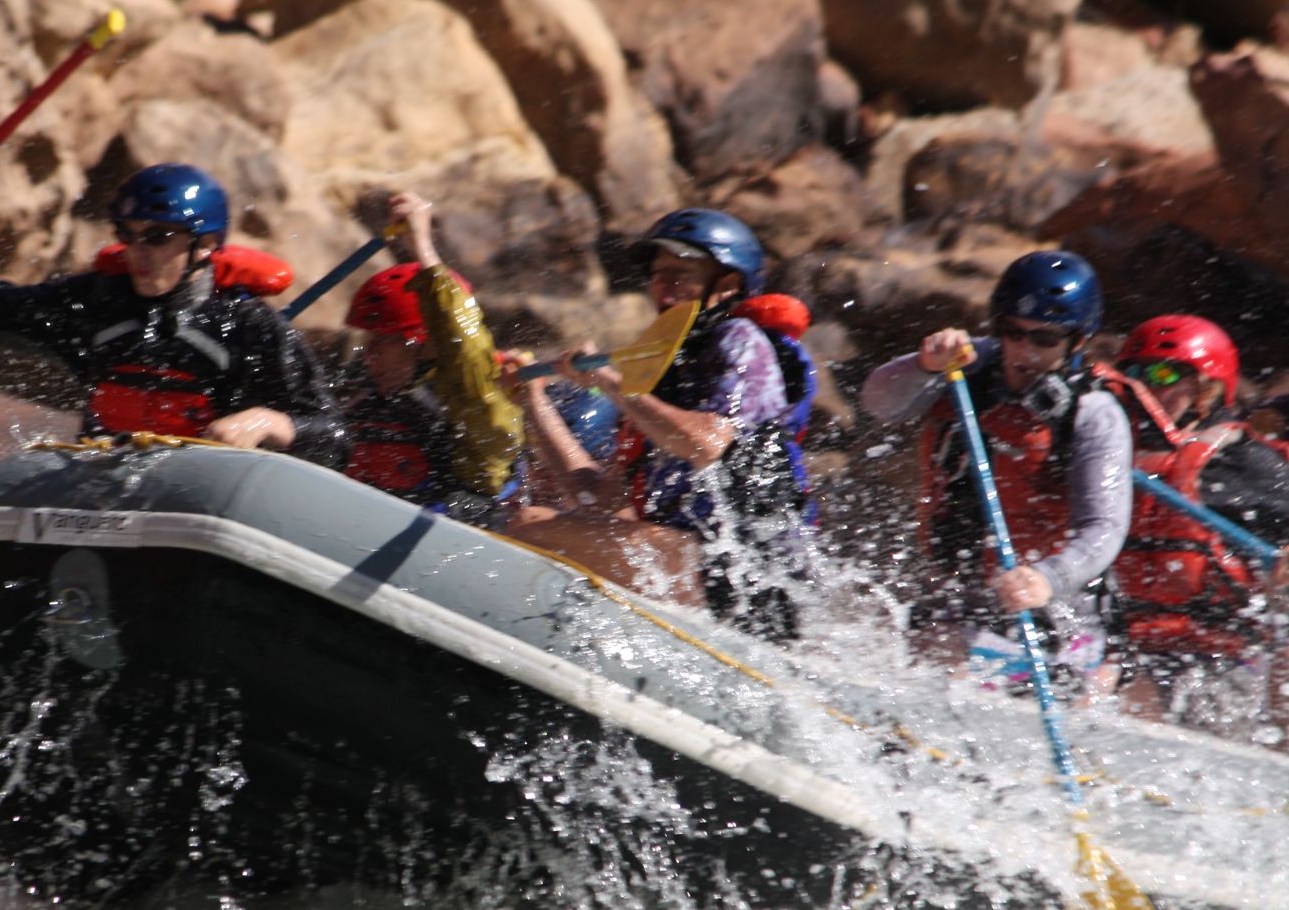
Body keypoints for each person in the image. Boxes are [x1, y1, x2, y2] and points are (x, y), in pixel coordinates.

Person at [0, 162, 345, 466]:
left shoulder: (250, 327)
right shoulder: (95, 303)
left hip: (205, 507)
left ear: (205, 246)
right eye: (128, 235)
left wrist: (270, 422)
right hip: (101, 498)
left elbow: (334, 438)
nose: (138, 253)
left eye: (156, 237)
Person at [506, 208, 814, 642]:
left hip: (748, 574)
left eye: (682, 274)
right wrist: (533, 403)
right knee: (534, 521)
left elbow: (707, 443)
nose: (665, 286)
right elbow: (598, 499)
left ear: (726, 286)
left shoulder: (740, 340)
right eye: (658, 273)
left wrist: (612, 384)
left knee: (529, 525)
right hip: (692, 558)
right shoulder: (665, 374)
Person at [860, 250, 1132, 694]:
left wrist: (1048, 577)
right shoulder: (966, 366)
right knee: (926, 667)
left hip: (1053, 608)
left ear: (1077, 341)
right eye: (1012, 332)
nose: (1024, 351)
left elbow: (1104, 528)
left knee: (959, 681)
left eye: (1044, 339)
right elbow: (879, 404)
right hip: (964, 591)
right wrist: (922, 365)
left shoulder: (1095, 414)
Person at [1109, 314, 1289, 726]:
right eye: (1134, 373)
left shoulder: (1242, 461)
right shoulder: (1101, 449)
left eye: (1166, 372)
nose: (1148, 385)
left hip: (1219, 660)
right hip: (1122, 648)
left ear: (1208, 389)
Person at [337, 192, 524, 526]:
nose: (370, 354)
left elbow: (463, 347)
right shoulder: (363, 399)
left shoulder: (476, 405)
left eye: (382, 341)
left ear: (422, 344)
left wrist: (422, 246)